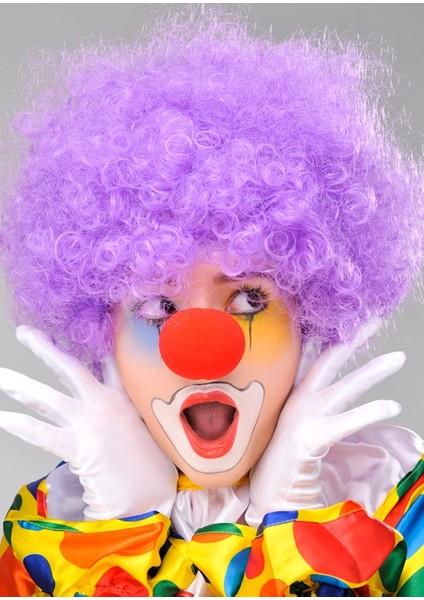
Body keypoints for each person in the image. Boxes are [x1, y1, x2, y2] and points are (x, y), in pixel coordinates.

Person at [0, 8, 423, 597]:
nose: (202, 352)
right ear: (104, 332)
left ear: (309, 315)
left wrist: (295, 523)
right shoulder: (53, 526)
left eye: (249, 297)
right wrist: (118, 530)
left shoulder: (396, 500)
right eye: (157, 307)